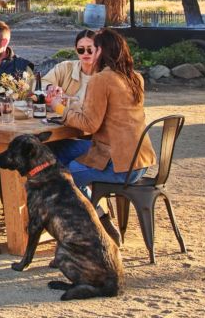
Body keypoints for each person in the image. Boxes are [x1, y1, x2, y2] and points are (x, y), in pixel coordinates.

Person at [60, 28, 155, 195]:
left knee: (56, 176)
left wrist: (59, 108)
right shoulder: (134, 77)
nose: (88, 52)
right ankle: (96, 210)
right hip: (139, 161)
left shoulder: (101, 79)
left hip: (120, 166)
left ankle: (85, 215)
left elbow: (89, 125)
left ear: (100, 51)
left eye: (92, 49)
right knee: (63, 148)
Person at [42, 30, 100, 164]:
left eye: (90, 50)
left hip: (95, 140)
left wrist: (63, 106)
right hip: (67, 128)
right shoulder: (65, 67)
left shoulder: (104, 77)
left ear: (99, 50)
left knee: (46, 152)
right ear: (75, 50)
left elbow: (91, 119)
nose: (85, 53)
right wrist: (50, 87)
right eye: (81, 50)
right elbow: (39, 84)